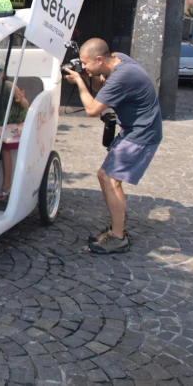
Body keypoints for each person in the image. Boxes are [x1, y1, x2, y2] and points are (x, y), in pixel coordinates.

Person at [63, 38, 163, 255]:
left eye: (86, 63)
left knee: (111, 180)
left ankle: (118, 237)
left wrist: (80, 82)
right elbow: (102, 85)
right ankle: (116, 227)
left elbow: (92, 109)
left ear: (99, 59)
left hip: (141, 134)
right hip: (134, 130)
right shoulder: (120, 60)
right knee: (104, 175)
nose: (85, 67)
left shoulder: (122, 76)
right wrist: (87, 74)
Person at [0, 80, 30, 202]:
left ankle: (6, 184)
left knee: (4, 148)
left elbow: (25, 104)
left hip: (10, 121)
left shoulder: (8, 85)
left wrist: (20, 98)